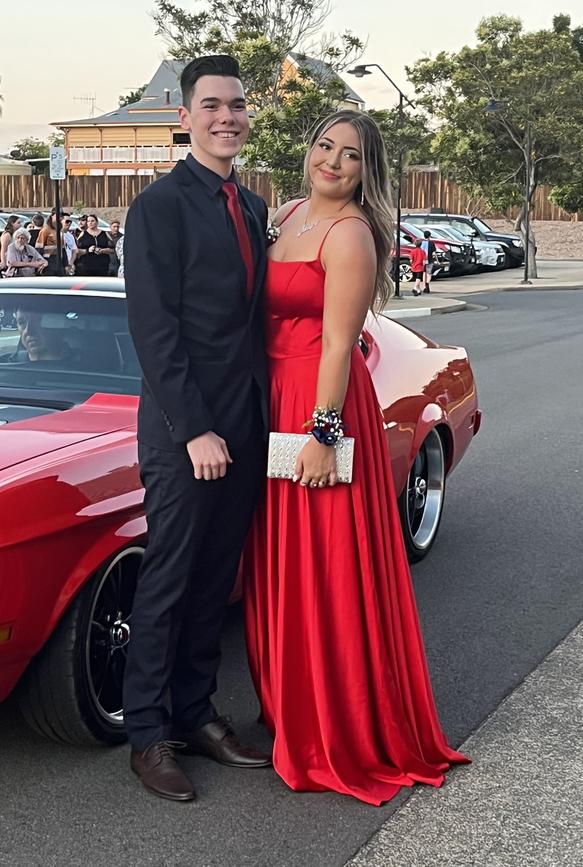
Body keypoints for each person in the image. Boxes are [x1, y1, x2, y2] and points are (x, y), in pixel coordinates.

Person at [244, 109, 470, 806]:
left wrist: (322, 432)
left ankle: (335, 724)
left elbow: (340, 344)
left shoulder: (350, 236)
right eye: (324, 146)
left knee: (325, 563)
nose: (333, 162)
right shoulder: (283, 214)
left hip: (320, 402)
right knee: (279, 560)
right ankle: (287, 705)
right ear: (307, 149)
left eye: (350, 156)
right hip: (272, 398)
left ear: (367, 171)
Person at [123, 54, 270, 803]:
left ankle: (197, 712)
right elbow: (155, 330)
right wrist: (195, 430)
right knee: (170, 581)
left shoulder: (250, 206)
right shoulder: (159, 207)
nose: (227, 117)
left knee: (216, 580)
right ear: (184, 117)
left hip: (246, 429)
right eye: (211, 105)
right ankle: (148, 735)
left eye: (237, 105)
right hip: (188, 434)